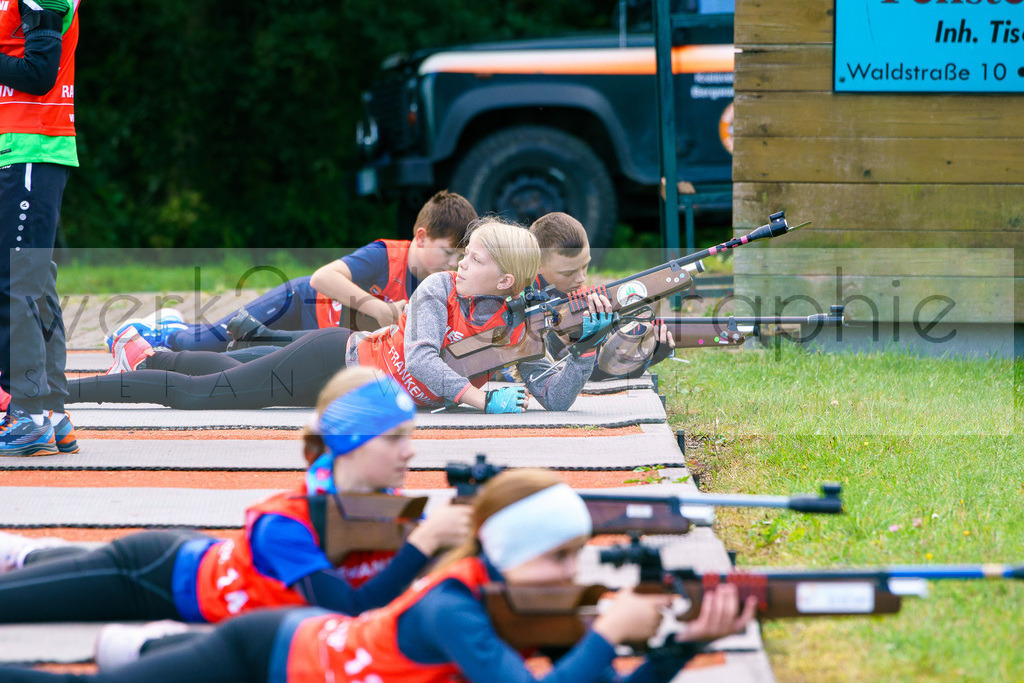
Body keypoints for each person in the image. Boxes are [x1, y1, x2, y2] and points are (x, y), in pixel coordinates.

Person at [0, 469, 757, 682]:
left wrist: (675, 648)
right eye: (558, 555)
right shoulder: (455, 607)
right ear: (505, 554)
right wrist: (615, 634)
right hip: (262, 652)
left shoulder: (511, 605)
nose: (574, 571)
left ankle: (154, 646)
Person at [0, 369, 471, 642]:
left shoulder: (394, 511)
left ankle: (26, 553)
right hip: (152, 576)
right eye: (393, 439)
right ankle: (27, 555)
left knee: (67, 570)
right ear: (350, 441)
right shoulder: (285, 522)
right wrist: (425, 542)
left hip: (203, 559)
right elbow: (349, 611)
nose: (410, 452)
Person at [67, 218, 611, 412]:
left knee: (206, 370)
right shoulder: (439, 289)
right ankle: (58, 394)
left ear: (507, 282)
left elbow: (553, 398)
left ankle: (151, 355)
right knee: (195, 395)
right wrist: (476, 397)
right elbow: (422, 359)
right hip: (330, 361)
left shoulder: (517, 327)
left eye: (474, 259)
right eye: (463, 253)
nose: (460, 263)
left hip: (342, 386)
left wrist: (586, 350)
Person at [108, 190, 477, 353]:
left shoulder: (437, 283)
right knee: (206, 343)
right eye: (448, 253)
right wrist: (376, 308)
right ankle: (160, 329)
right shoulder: (384, 256)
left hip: (311, 339)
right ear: (421, 237)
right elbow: (321, 278)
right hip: (297, 302)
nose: (452, 264)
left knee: (223, 359)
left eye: (460, 257)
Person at [0, 0, 80, 456]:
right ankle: (51, 412)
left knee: (21, 281)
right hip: (20, 148)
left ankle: (29, 413)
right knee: (31, 279)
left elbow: (39, 73)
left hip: (31, 146)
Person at [528, 212, 676, 381]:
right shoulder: (519, 297)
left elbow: (601, 367)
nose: (581, 278)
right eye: (568, 273)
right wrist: (562, 337)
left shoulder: (580, 295)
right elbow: (517, 369)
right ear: (537, 266)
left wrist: (649, 352)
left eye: (585, 265)